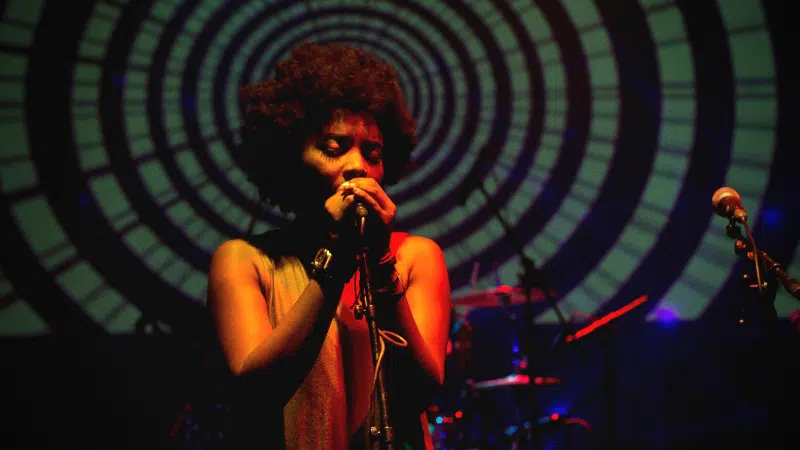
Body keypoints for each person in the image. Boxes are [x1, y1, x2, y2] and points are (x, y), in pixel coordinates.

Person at [206, 41, 451, 449]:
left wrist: (377, 260)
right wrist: (336, 261)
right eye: (333, 148)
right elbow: (258, 389)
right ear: (288, 156)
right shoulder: (243, 261)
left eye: (372, 153)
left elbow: (420, 391)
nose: (357, 165)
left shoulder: (414, 257)